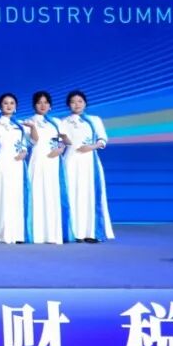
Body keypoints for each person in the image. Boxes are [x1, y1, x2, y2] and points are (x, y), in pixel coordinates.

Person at [61, 90, 115, 242]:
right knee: (71, 194)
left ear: (85, 103)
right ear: (68, 105)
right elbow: (62, 142)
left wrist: (91, 147)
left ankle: (91, 232)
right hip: (70, 161)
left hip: (89, 162)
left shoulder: (94, 120)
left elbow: (103, 139)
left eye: (80, 101)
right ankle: (74, 232)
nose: (76, 104)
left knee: (89, 194)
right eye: (73, 102)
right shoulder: (63, 122)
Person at [0, 93, 32, 244]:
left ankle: (16, 233)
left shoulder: (21, 125)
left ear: (16, 106)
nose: (9, 106)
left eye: (12, 103)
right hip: (4, 160)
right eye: (5, 103)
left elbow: (25, 142)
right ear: (0, 106)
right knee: (0, 193)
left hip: (18, 162)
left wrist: (24, 151)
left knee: (15, 195)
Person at [24, 90, 71, 245]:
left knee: (52, 195)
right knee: (37, 193)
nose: (43, 105)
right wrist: (32, 127)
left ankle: (52, 234)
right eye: (39, 102)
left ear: (50, 105)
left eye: (46, 102)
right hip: (38, 159)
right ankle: (36, 233)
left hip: (54, 160)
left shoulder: (57, 122)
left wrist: (61, 148)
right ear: (34, 105)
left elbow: (66, 141)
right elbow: (33, 141)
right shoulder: (28, 121)